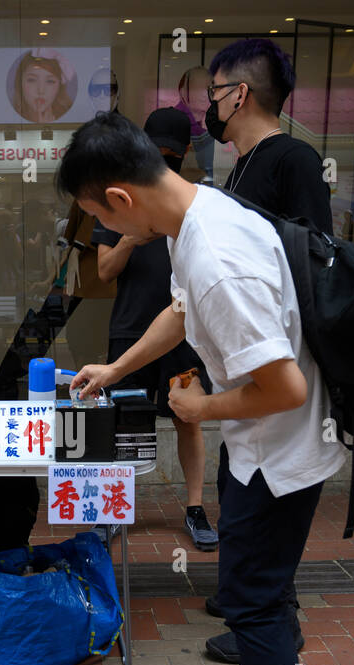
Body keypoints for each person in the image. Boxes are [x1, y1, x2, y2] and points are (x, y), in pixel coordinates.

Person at [63, 111, 343, 665]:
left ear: (121, 199)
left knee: (255, 605)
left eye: (98, 215)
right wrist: (118, 366)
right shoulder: (197, 214)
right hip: (254, 447)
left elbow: (287, 387)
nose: (103, 229)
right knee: (257, 595)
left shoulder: (217, 254)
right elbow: (182, 315)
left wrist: (199, 412)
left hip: (280, 455)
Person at [202, 37, 333, 664]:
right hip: (251, 395)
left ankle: (273, 627)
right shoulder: (242, 163)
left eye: (213, 90)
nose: (209, 103)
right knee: (241, 506)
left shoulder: (293, 161)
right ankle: (254, 613)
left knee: (269, 517)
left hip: (282, 383)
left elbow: (313, 265)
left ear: (238, 94)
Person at [92, 108, 217, 551]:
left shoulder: (199, 199)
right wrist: (129, 237)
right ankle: (113, 508)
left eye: (173, 151)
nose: (166, 158)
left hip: (185, 332)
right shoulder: (120, 198)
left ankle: (196, 507)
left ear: (186, 150)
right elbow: (104, 271)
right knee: (122, 423)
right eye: (157, 150)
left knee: (189, 416)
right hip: (130, 330)